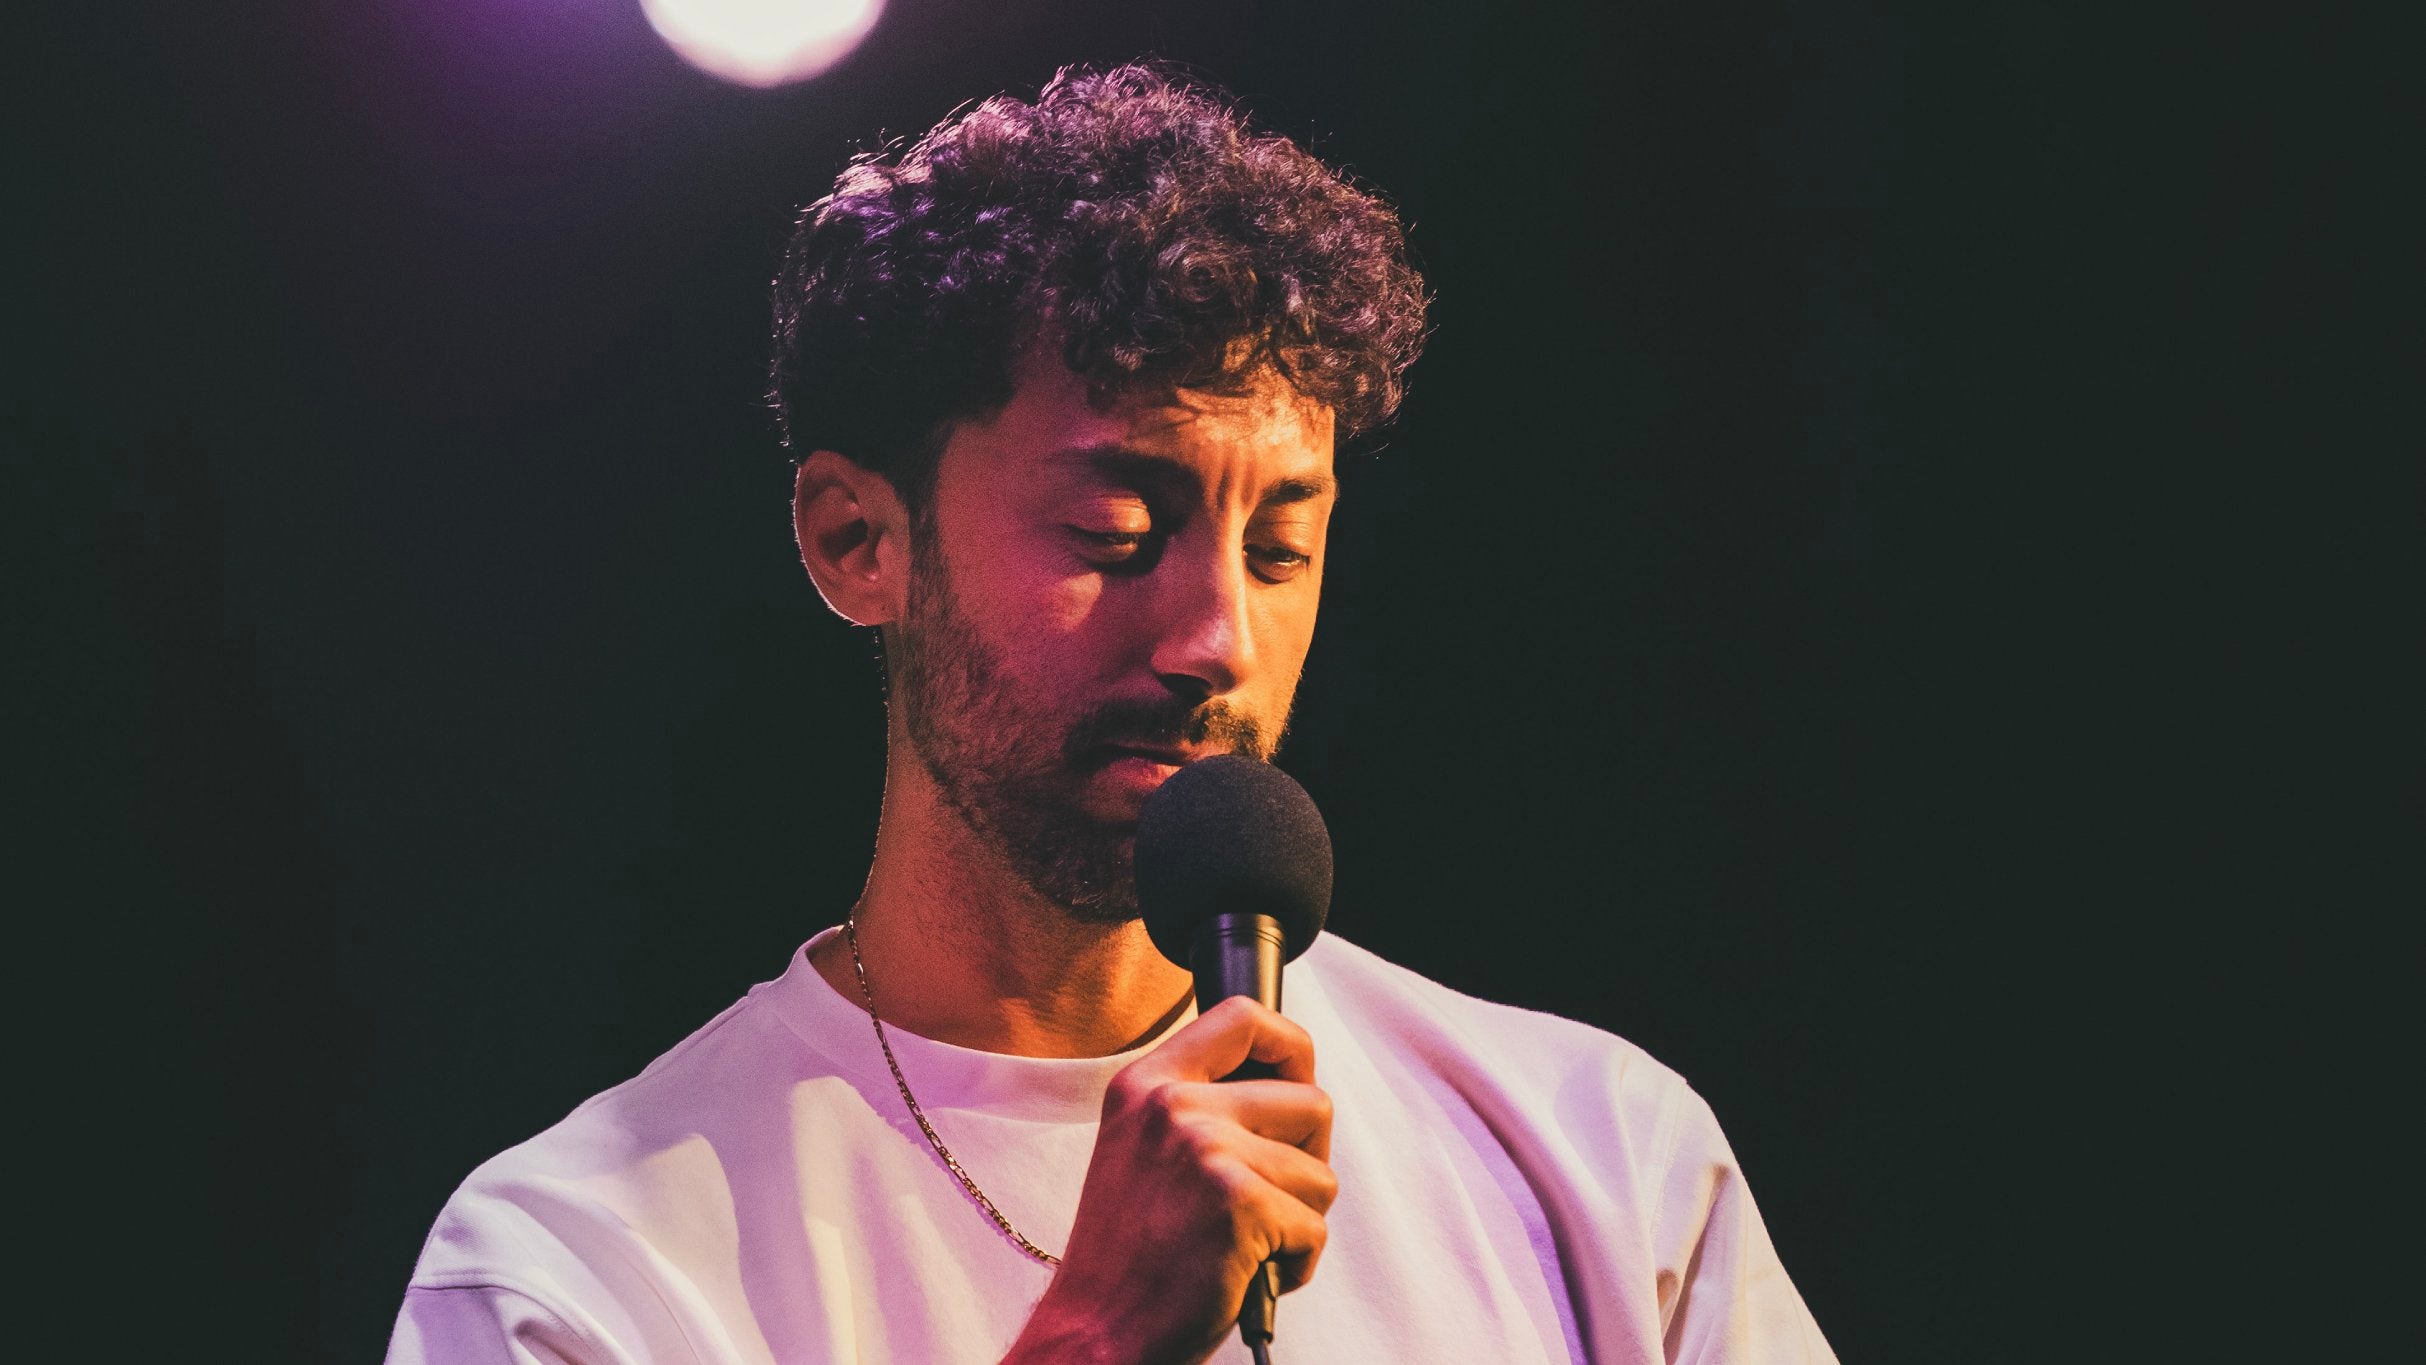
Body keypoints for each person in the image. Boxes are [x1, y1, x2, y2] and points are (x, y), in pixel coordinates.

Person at [387, 63, 1836, 1365]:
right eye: (1117, 534)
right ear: (855, 540)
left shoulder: (1605, 1164)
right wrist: (1095, 1341)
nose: (1219, 642)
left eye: (1280, 549)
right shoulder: (578, 1269)